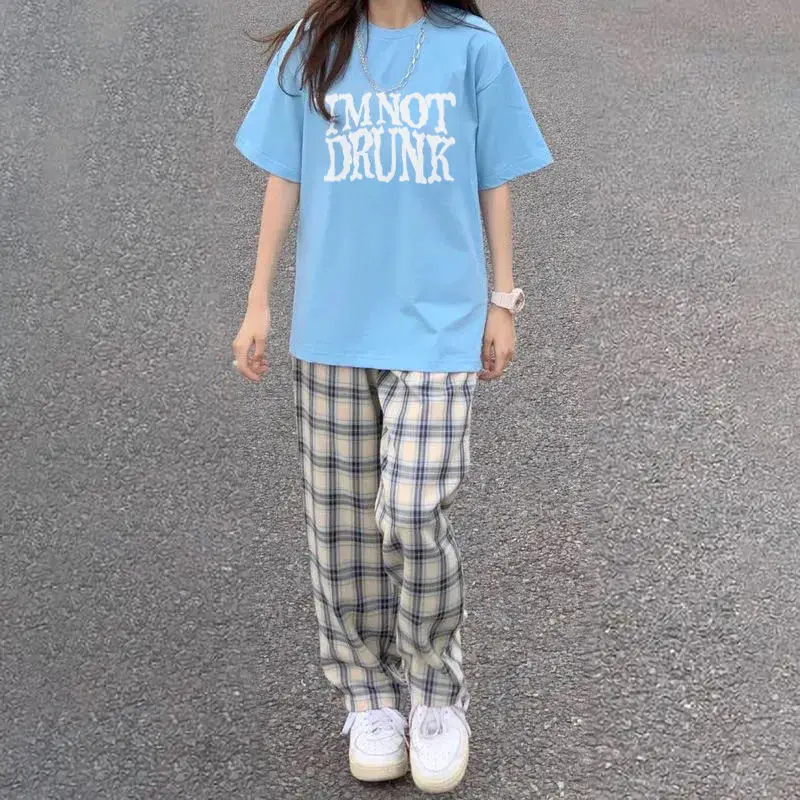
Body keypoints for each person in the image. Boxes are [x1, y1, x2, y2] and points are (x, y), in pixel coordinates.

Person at [231, 0, 553, 792]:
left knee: (411, 511)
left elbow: (494, 174)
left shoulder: (472, 49)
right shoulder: (316, 45)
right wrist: (258, 301)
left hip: (439, 325)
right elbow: (284, 173)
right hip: (334, 324)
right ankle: (369, 697)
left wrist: (502, 300)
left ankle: (436, 694)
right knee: (340, 528)